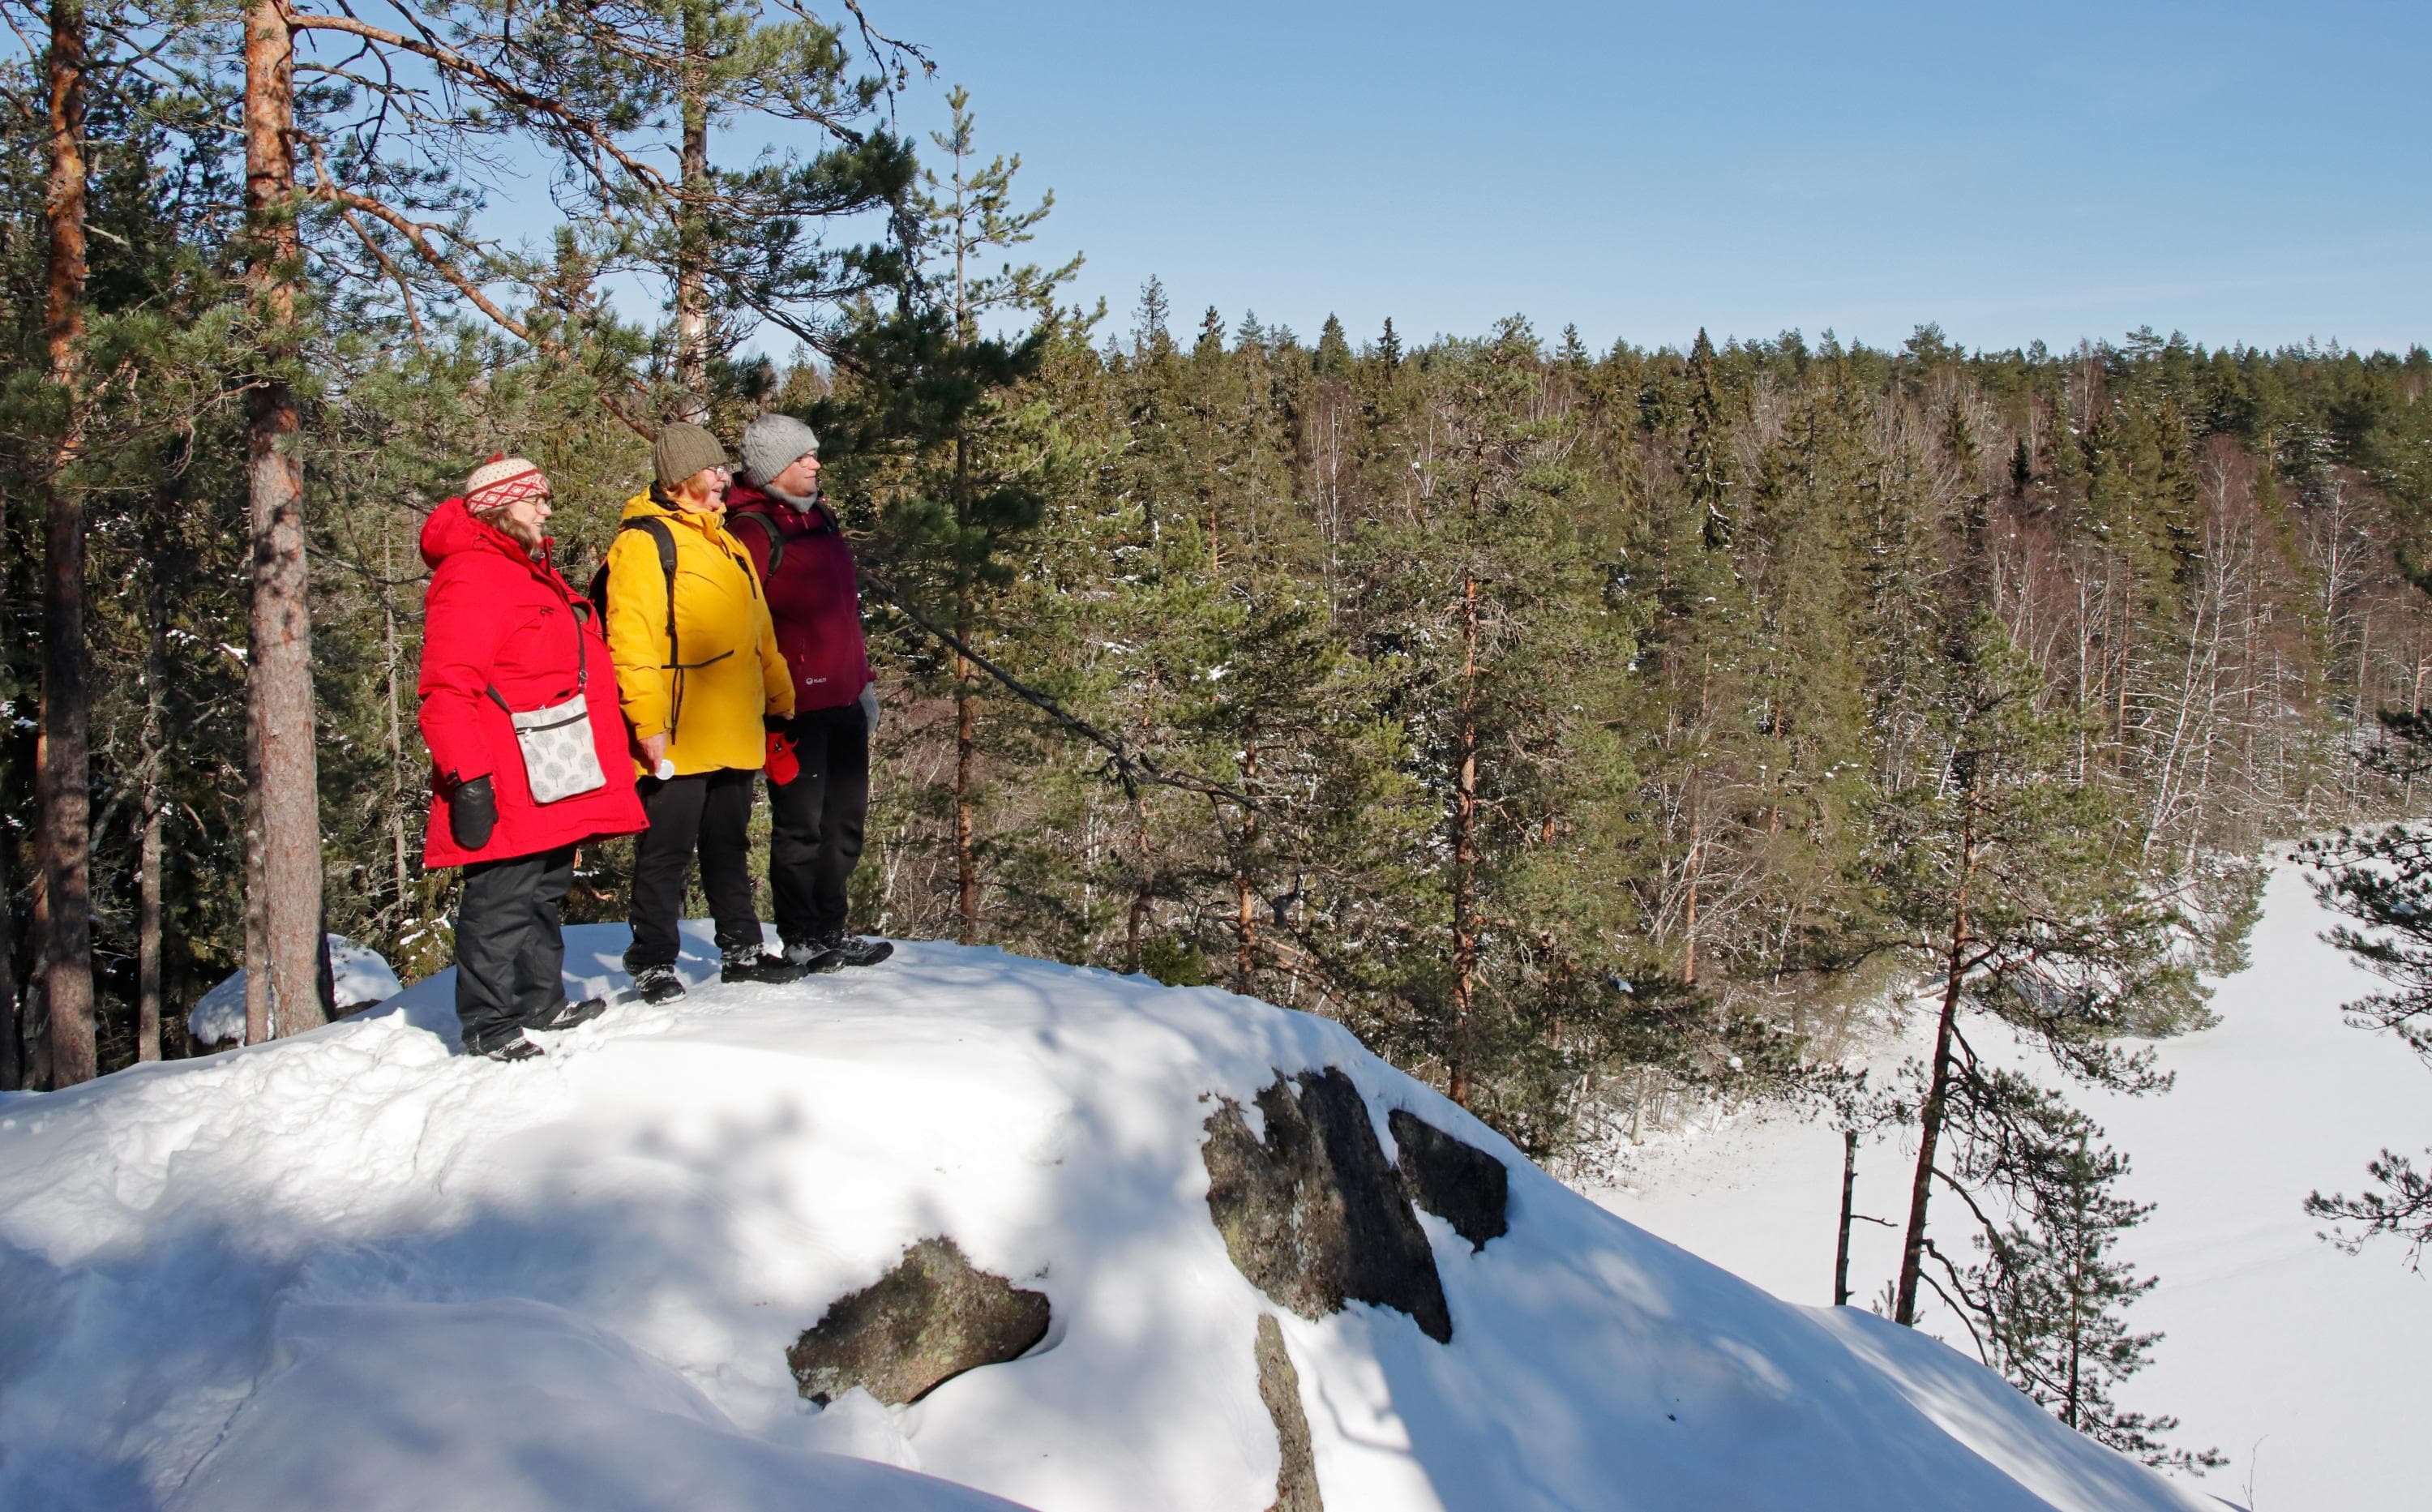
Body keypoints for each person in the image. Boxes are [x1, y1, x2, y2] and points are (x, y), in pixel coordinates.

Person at [418, 455, 647, 1061]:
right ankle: (488, 1025)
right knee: (499, 898)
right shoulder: (472, 574)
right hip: (501, 769)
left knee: (543, 888)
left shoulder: (525, 569)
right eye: (536, 498)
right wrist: (469, 778)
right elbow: (446, 689)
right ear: (502, 505)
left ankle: (540, 1000)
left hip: (547, 763)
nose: (547, 508)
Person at [604, 422, 802, 1003]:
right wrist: (647, 724)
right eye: (714, 469)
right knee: (665, 852)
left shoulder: (727, 542)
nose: (724, 478)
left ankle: (741, 950)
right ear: (681, 477)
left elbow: (759, 632)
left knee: (728, 845)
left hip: (735, 728)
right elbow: (631, 642)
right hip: (678, 733)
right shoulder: (643, 543)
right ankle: (652, 960)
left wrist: (781, 699)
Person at [729, 413, 893, 972]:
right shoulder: (751, 530)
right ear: (774, 467)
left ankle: (831, 927)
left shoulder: (821, 518)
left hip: (845, 700)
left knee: (845, 825)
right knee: (801, 826)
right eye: (803, 457)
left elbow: (845, 614)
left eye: (814, 454)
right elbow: (739, 626)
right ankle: (800, 934)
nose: (815, 464)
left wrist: (863, 683)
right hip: (793, 712)